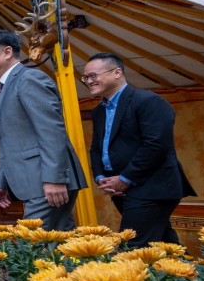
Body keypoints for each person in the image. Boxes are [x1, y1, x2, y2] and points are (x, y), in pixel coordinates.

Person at [0, 30, 86, 230]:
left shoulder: (29, 79)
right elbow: (9, 141)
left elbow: (51, 130)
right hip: (35, 183)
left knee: (32, 247)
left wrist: (54, 179)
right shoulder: (6, 86)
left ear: (7, 52)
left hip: (46, 181)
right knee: (57, 247)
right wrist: (2, 182)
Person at [83, 52, 194, 246]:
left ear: (117, 72)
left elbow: (156, 145)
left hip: (152, 187)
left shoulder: (148, 101)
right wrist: (101, 178)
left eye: (93, 75)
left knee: (132, 249)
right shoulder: (98, 111)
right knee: (165, 247)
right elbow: (96, 149)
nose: (89, 81)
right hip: (119, 190)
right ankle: (192, 274)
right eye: (86, 77)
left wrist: (125, 178)